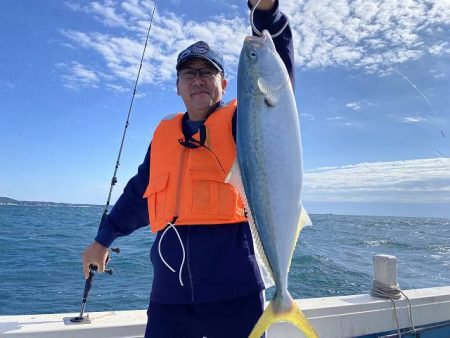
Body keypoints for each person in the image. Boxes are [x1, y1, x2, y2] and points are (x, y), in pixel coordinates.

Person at [82, 0, 294, 337]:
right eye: (189, 73)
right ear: (178, 86)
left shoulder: (246, 122)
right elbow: (140, 194)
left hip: (235, 292)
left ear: (224, 84)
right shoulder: (165, 137)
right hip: (170, 298)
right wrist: (103, 240)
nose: (198, 80)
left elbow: (274, 75)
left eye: (208, 72)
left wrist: (265, 13)